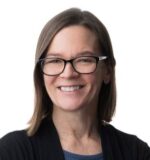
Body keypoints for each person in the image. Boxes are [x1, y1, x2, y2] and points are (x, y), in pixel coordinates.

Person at [0, 8, 150, 160]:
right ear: (41, 72)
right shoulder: (12, 152)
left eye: (84, 59)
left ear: (107, 71)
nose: (68, 74)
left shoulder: (136, 152)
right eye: (55, 61)